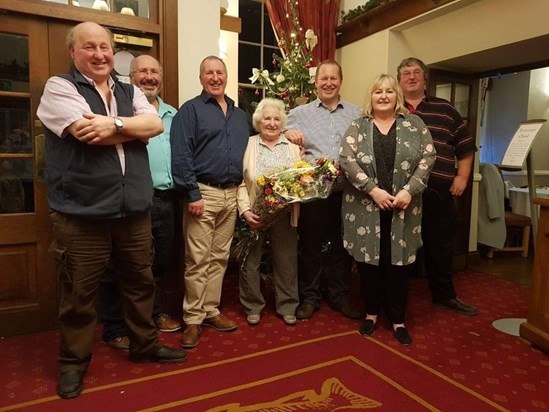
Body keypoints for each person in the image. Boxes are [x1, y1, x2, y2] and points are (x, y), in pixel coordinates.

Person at [36, 22, 186, 399]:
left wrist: (116, 123)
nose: (100, 54)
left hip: (134, 210)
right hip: (81, 214)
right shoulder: (60, 87)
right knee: (79, 295)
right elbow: (85, 131)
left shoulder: (130, 89)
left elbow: (153, 124)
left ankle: (145, 346)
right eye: (90, 47)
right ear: (74, 52)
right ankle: (73, 364)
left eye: (104, 46)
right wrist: (132, 128)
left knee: (140, 284)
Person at [339, 74, 436, 345]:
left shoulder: (414, 125)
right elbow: (346, 159)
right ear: (371, 97)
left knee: (398, 265)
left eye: (389, 91)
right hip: (366, 207)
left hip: (403, 208)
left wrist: (409, 190)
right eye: (378, 91)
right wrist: (372, 189)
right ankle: (370, 314)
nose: (383, 96)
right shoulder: (358, 126)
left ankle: (398, 319)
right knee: (369, 264)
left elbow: (429, 156)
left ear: (397, 96)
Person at [96, 54, 181, 352]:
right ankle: (115, 326)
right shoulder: (120, 109)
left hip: (167, 201)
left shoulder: (173, 113)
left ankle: (154, 314)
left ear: (161, 76)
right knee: (118, 266)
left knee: (157, 264)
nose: (149, 76)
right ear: (130, 77)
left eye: (154, 71)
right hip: (131, 200)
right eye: (142, 71)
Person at [171, 55, 251, 349]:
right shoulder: (190, 111)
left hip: (232, 194)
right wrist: (192, 193)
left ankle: (210, 311)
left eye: (219, 72)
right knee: (197, 260)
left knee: (219, 258)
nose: (215, 77)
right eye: (209, 73)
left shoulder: (241, 116)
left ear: (226, 75)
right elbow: (180, 155)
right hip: (203, 195)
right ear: (201, 77)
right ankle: (192, 318)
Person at [397, 57, 478, 316]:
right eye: (406, 73)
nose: (411, 77)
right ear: (399, 80)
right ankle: (396, 296)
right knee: (399, 245)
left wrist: (462, 178)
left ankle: (444, 295)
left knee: (440, 246)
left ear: (425, 79)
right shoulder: (391, 109)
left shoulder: (445, 109)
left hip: (437, 191)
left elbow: (465, 147)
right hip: (401, 194)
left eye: (416, 72)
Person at [285, 59, 362, 320]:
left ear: (341, 81)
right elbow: (274, 131)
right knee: (310, 247)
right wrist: (289, 135)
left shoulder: (356, 113)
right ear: (315, 82)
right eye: (323, 78)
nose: (328, 83)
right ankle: (310, 298)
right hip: (314, 194)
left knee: (343, 247)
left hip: (346, 192)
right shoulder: (299, 113)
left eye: (333, 78)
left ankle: (339, 296)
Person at [236, 98, 301, 326]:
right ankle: (253, 305)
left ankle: (288, 305)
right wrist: (245, 210)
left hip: (284, 214)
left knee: (286, 261)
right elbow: (240, 182)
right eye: (267, 118)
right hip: (255, 214)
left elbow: (302, 181)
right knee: (250, 261)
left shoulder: (294, 149)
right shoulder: (248, 144)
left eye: (276, 118)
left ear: (282, 122)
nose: (272, 123)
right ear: (258, 121)